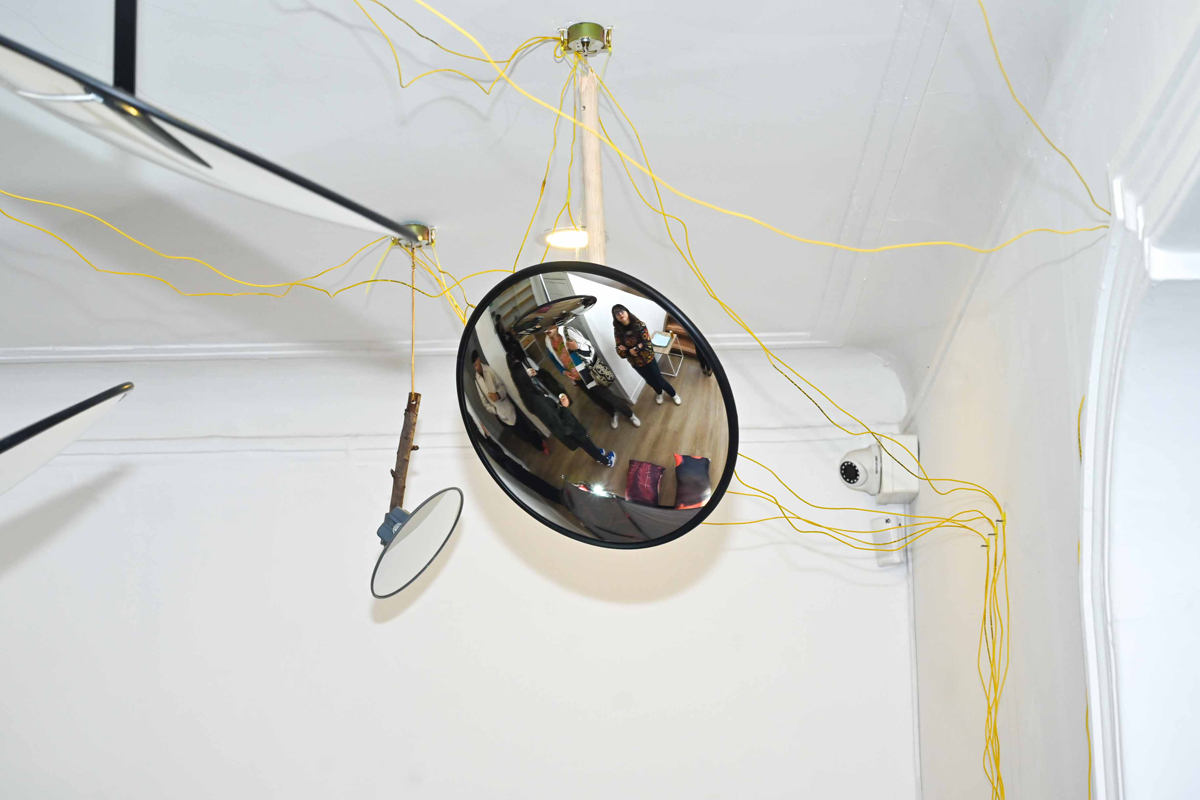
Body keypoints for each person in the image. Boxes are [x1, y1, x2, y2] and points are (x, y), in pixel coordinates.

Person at [521, 361, 617, 468]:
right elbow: (563, 425)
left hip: (562, 415)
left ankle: (597, 454)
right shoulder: (538, 401)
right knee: (583, 439)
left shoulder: (530, 394)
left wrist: (538, 374)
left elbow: (550, 384)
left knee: (583, 439)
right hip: (565, 421)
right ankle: (605, 461)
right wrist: (565, 407)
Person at [544, 325, 640, 429]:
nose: (547, 331)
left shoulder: (567, 331)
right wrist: (564, 372)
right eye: (544, 330)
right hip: (577, 378)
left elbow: (588, 347)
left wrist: (577, 347)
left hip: (588, 373)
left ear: (554, 325)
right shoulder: (548, 342)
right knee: (596, 399)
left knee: (608, 396)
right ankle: (613, 413)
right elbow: (554, 360)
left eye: (548, 328)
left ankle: (630, 414)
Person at [472, 350, 549, 455]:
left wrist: (498, 395)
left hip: (507, 406)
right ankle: (538, 441)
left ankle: (540, 445)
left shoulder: (489, 370)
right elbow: (484, 402)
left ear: (479, 360)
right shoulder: (477, 380)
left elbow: (501, 385)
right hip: (500, 414)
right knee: (522, 435)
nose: (475, 368)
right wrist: (494, 410)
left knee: (525, 428)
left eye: (476, 364)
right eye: (474, 366)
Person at [612, 304, 681, 405]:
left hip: (648, 359)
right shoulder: (617, 331)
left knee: (659, 380)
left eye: (622, 311)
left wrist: (630, 349)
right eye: (617, 313)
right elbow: (620, 352)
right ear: (615, 317)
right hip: (635, 363)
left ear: (627, 312)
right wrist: (631, 350)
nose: (620, 314)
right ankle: (659, 393)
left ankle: (673, 394)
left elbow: (647, 345)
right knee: (649, 381)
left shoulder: (640, 325)